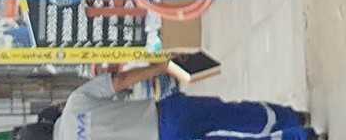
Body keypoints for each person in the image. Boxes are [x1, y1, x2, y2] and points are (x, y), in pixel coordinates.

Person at [54, 60, 311, 140]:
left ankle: (301, 137)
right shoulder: (75, 103)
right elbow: (121, 80)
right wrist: (163, 66)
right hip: (170, 114)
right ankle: (293, 118)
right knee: (233, 115)